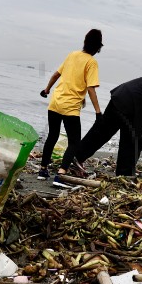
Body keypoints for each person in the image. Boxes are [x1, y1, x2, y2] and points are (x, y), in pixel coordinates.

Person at [37, 29, 103, 180]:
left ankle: (43, 170)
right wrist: (98, 112)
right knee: (74, 142)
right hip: (70, 108)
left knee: (52, 137)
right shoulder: (91, 62)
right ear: (98, 47)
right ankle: (61, 174)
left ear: (85, 42)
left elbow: (56, 74)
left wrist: (46, 90)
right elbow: (91, 88)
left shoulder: (72, 55)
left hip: (55, 102)